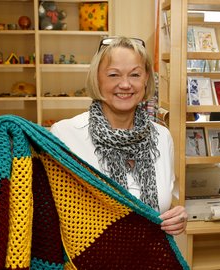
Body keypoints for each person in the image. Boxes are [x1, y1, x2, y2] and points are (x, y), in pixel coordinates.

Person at [50, 36, 187, 235]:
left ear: (146, 78)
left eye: (135, 75)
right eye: (114, 75)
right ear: (97, 77)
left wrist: (177, 218)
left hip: (150, 261)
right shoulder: (65, 135)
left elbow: (165, 203)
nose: (125, 84)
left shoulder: (162, 137)